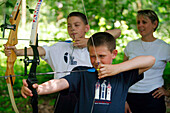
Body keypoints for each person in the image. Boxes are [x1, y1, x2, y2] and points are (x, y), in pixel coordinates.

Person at [4, 12, 121, 113]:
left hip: (89, 95)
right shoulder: (61, 46)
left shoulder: (95, 47)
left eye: (76, 25)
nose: (73, 29)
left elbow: (117, 32)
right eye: (69, 26)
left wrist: (90, 41)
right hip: (65, 95)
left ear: (86, 28)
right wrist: (17, 52)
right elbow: (41, 50)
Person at [21, 32, 155, 113]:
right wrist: (38, 89)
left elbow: (150, 60)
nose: (96, 61)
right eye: (92, 56)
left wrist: (117, 69)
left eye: (102, 56)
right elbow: (60, 82)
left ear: (114, 54)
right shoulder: (82, 73)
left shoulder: (123, 75)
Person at [124, 9, 170, 113]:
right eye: (138, 22)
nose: (140, 25)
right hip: (130, 97)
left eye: (144, 22)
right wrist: (124, 99)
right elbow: (124, 74)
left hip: (153, 98)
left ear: (154, 24)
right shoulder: (131, 45)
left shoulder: (165, 47)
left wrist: (168, 92)